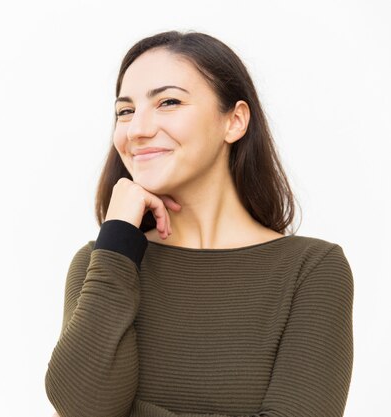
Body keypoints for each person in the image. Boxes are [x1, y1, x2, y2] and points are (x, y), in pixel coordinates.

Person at [44, 30, 353, 417]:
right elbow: (82, 406)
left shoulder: (311, 269)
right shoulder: (103, 262)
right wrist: (118, 237)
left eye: (168, 102)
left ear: (235, 121)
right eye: (125, 111)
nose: (137, 129)